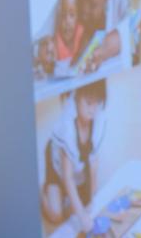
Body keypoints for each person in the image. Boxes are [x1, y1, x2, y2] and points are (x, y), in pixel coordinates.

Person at [40, 79, 108, 234]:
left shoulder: (98, 122)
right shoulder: (67, 127)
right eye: (89, 103)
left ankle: (64, 198)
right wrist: (83, 217)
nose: (93, 109)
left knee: (85, 205)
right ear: (76, 98)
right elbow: (67, 177)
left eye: (98, 102)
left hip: (77, 167)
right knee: (57, 215)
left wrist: (92, 201)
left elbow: (93, 166)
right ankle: (43, 194)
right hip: (58, 166)